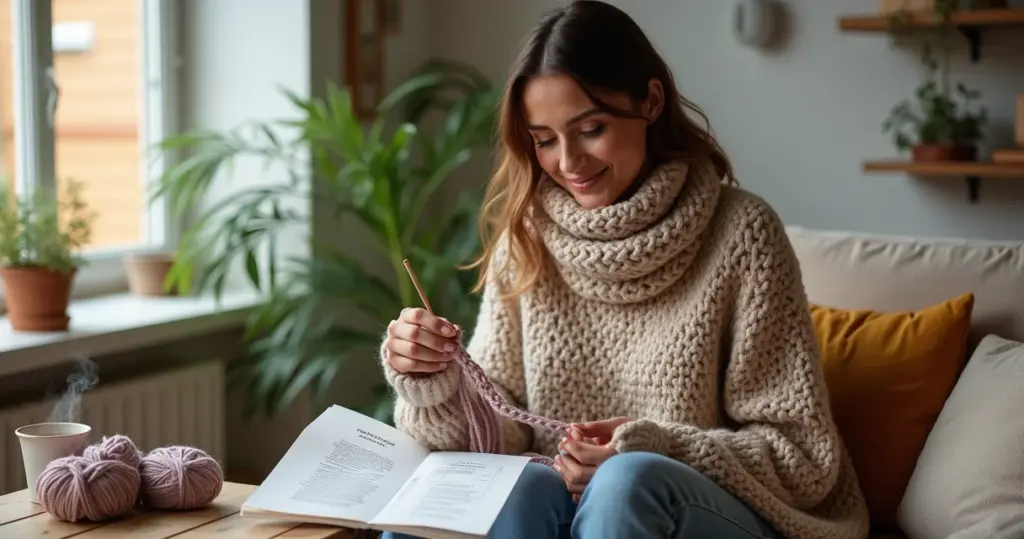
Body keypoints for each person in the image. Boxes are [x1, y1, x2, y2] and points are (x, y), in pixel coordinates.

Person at [379, 1, 870, 538]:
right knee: (507, 489)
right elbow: (503, 434)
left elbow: (801, 458)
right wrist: (434, 383)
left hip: (707, 511)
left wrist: (657, 445)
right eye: (543, 139)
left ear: (651, 101)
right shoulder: (527, 238)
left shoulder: (743, 235)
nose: (568, 163)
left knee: (625, 481)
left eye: (590, 128)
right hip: (561, 507)